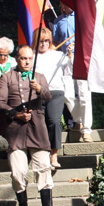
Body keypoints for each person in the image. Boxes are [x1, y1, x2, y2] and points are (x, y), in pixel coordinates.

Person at [0, 45, 60, 206]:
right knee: (18, 172)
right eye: (24, 58)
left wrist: (38, 89)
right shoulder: (6, 78)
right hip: (15, 130)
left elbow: (47, 96)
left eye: (30, 58)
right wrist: (15, 114)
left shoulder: (39, 77)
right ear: (17, 58)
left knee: (44, 168)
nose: (27, 61)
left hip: (37, 129)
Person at [31, 27, 72, 168]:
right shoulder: (31, 56)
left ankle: (54, 155)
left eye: (46, 41)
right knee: (39, 124)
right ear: (36, 42)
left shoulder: (59, 55)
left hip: (55, 92)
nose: (43, 44)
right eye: (40, 41)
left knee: (54, 122)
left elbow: (70, 70)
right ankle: (41, 155)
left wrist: (71, 55)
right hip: (37, 93)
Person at [53, 2, 93, 142]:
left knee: (84, 94)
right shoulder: (58, 21)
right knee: (67, 94)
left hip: (81, 58)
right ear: (61, 5)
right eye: (64, 2)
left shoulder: (82, 17)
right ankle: (78, 120)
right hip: (65, 59)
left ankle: (86, 130)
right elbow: (55, 41)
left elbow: (90, 36)